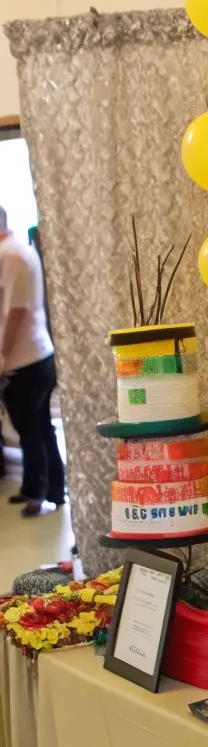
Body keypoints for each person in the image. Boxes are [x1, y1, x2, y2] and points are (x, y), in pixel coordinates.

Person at [0, 206, 65, 516]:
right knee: (38, 427)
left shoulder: (11, 255)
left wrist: (2, 354)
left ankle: (38, 493)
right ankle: (44, 488)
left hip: (25, 357)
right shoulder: (16, 252)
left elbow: (15, 311)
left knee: (31, 430)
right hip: (34, 354)